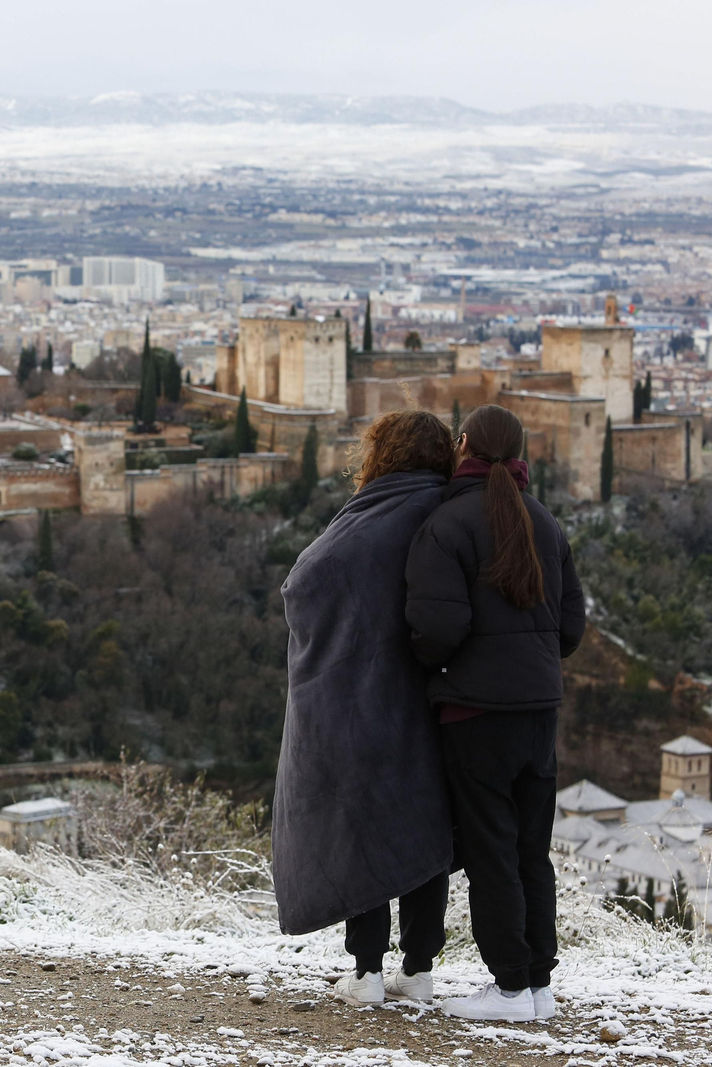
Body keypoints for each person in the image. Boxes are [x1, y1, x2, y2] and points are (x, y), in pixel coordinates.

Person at [405, 404, 585, 1023]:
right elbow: (571, 629)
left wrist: (437, 669)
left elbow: (436, 628)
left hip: (475, 714)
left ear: (464, 447)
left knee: (491, 850)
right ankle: (537, 984)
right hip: (540, 709)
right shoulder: (546, 522)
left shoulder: (445, 524)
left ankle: (508, 986)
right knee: (532, 851)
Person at [273, 410, 457, 1008]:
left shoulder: (365, 519)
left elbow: (304, 584)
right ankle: (420, 968)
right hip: (434, 695)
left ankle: (368, 972)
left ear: (382, 455)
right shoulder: (450, 513)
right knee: (425, 826)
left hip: (360, 696)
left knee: (365, 828)